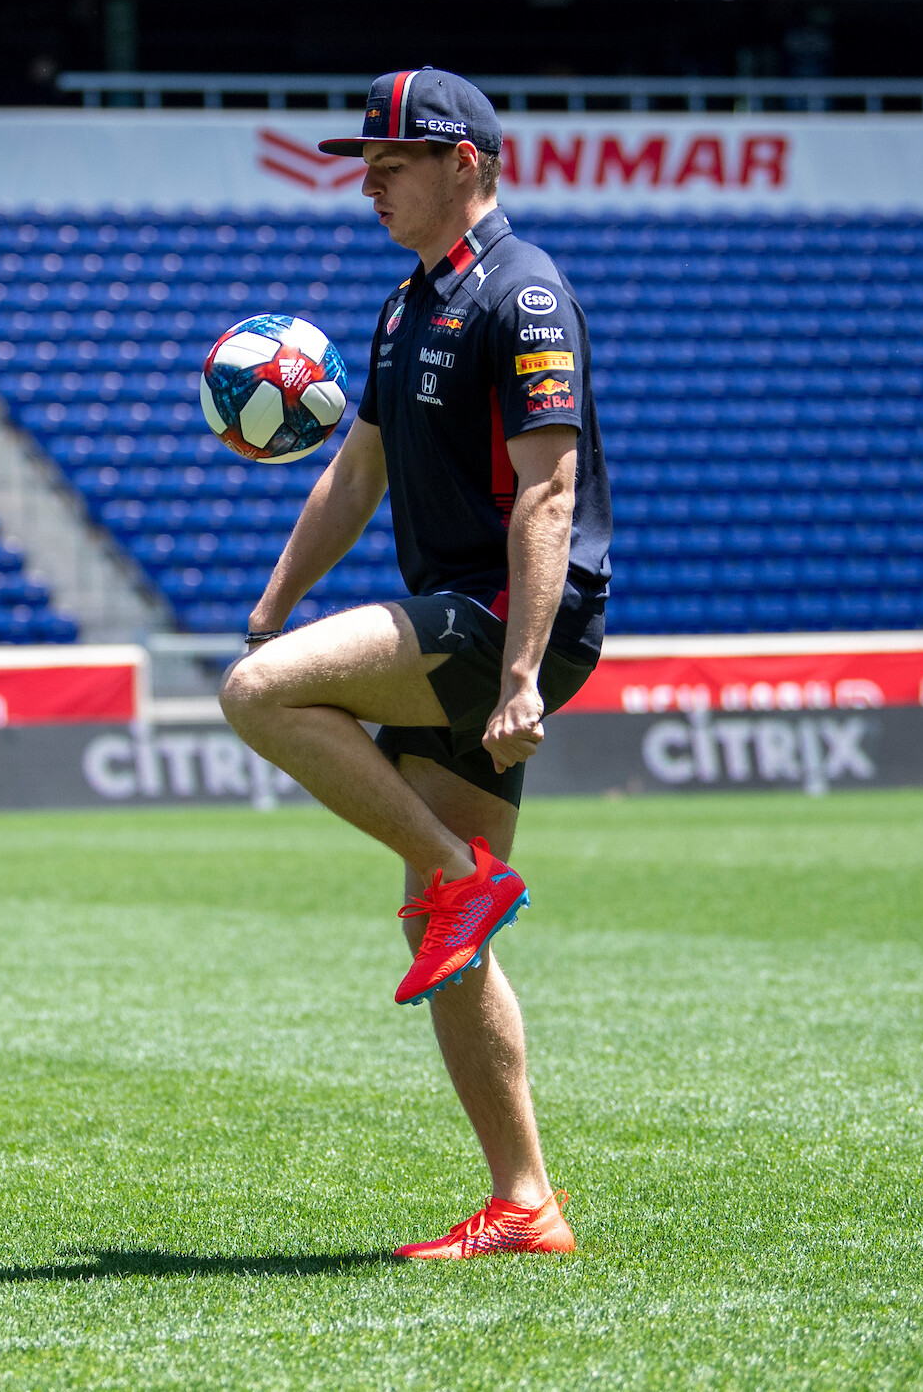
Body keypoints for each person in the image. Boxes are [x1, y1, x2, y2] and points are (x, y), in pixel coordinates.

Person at [218, 68, 613, 1259]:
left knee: (259, 696)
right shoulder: (405, 307)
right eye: (367, 165)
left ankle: (456, 871)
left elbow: (549, 494)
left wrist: (522, 672)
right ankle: (526, 1203)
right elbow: (356, 475)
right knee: (441, 934)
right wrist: (274, 604)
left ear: (465, 165)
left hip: (508, 617)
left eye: (392, 163)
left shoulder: (524, 293)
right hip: (466, 617)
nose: (370, 182)